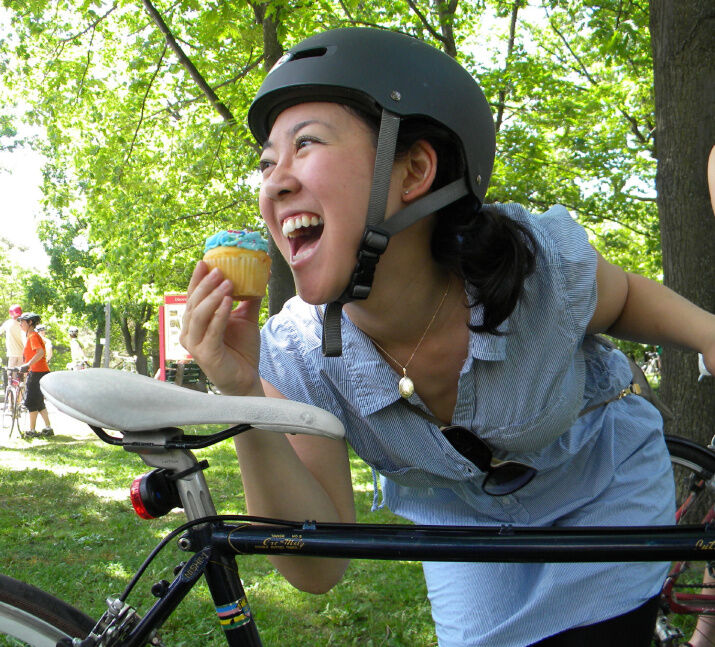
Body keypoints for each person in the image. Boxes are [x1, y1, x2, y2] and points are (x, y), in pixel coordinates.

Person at [180, 28, 715, 647]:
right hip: (463, 518)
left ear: (414, 172)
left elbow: (622, 298)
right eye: (268, 162)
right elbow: (316, 566)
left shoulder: (525, 266)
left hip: (599, 482)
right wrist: (244, 392)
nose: (273, 182)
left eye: (306, 145)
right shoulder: (298, 354)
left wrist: (708, 334)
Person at [17, 312, 53, 438]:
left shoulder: (32, 336)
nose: (20, 324)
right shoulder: (32, 336)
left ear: (30, 323)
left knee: (31, 401)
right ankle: (48, 428)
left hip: (37, 372)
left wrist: (28, 364)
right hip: (41, 371)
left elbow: (40, 352)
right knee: (38, 402)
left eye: (22, 321)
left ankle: (32, 431)